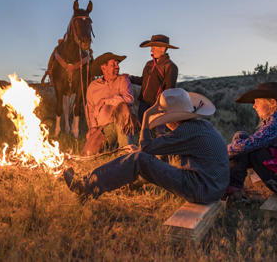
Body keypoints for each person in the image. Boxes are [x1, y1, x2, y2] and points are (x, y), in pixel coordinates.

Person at [64, 88, 229, 204]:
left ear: (173, 118)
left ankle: (86, 187)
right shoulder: (197, 127)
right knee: (154, 158)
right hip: (213, 186)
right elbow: (161, 147)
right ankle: (125, 183)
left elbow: (145, 149)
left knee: (139, 159)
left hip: (202, 189)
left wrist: (147, 116)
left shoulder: (185, 132)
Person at [82, 52, 136, 155]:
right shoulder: (93, 86)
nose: (117, 66)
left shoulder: (123, 80)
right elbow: (90, 109)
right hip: (103, 128)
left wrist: (105, 101)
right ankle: (111, 147)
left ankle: (125, 150)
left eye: (118, 64)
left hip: (121, 123)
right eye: (113, 64)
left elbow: (129, 100)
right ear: (104, 67)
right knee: (89, 153)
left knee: (122, 108)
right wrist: (93, 127)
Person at [130, 34, 179, 122]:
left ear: (163, 48)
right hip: (143, 103)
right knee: (143, 130)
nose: (151, 50)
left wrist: (160, 107)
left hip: (157, 106)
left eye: (154, 47)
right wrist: (130, 78)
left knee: (157, 132)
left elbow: (169, 91)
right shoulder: (149, 64)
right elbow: (143, 80)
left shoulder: (170, 66)